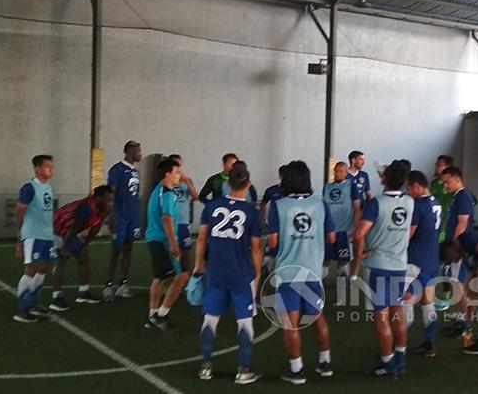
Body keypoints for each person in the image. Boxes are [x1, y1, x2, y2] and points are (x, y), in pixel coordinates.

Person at [267, 161, 336, 385]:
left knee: (290, 323)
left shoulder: (278, 206)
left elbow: (273, 242)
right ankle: (325, 363)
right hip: (313, 271)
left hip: (288, 272)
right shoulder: (320, 204)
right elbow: (332, 237)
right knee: (317, 317)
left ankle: (297, 370)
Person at [194, 162, 263, 384]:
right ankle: (243, 370)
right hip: (240, 274)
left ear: (228, 182)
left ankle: (205, 367)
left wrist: (198, 264)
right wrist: (258, 273)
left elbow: (202, 238)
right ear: (248, 184)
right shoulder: (251, 212)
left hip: (216, 271)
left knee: (210, 319)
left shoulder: (212, 206)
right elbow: (255, 247)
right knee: (245, 322)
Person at [351, 161, 414, 379]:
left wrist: (360, 254)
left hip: (379, 265)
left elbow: (359, 234)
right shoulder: (409, 201)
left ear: (384, 178)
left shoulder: (376, 203)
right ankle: (401, 357)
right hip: (399, 264)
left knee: (381, 316)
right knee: (397, 312)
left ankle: (388, 363)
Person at [50, 185, 114, 311]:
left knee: (84, 257)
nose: (109, 203)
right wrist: (64, 247)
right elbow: (73, 228)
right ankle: (56, 298)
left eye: (111, 200)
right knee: (61, 260)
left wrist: (86, 244)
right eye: (107, 200)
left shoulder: (105, 208)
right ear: (98, 198)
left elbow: (97, 226)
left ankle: (83, 293)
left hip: (70, 231)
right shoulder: (85, 208)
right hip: (57, 229)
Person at [144, 158, 190, 333]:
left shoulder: (159, 190)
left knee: (160, 277)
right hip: (162, 240)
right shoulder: (168, 192)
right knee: (183, 276)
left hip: (155, 238)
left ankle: (153, 315)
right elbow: (167, 218)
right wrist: (173, 243)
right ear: (167, 174)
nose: (180, 175)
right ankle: (161, 314)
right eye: (177, 172)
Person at [13, 155, 57, 323]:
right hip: (33, 235)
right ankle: (21, 309)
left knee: (43, 268)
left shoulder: (48, 187)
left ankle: (32, 303)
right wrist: (21, 233)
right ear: (37, 169)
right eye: (47, 167)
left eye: (51, 167)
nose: (50, 170)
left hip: (47, 235)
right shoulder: (29, 188)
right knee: (31, 270)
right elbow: (19, 211)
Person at [402, 170, 441, 358]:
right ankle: (429, 343)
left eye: (409, 188)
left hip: (416, 260)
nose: (408, 192)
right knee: (427, 303)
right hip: (432, 259)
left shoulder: (418, 206)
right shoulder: (436, 203)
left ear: (417, 186)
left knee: (405, 301)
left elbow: (409, 234)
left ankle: (398, 348)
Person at [103, 141, 142, 301]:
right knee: (116, 249)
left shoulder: (135, 171)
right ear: (129, 152)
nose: (140, 154)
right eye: (138, 151)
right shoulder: (117, 169)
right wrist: (111, 216)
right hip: (120, 216)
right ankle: (108, 285)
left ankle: (123, 284)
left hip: (133, 216)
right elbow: (110, 194)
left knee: (128, 249)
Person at [440, 166, 475, 338]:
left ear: (457, 179)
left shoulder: (463, 197)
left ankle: (465, 325)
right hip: (457, 247)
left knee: (457, 284)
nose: (444, 185)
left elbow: (462, 223)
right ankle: (462, 320)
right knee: (456, 283)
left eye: (447, 182)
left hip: (459, 248)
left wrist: (454, 246)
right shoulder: (458, 197)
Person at [322, 162, 361, 281]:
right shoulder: (327, 187)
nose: (338, 173)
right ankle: (319, 285)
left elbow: (356, 207)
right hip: (329, 229)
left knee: (343, 260)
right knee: (325, 258)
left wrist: (356, 226)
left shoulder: (351, 186)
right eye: (336, 171)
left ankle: (342, 291)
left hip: (345, 229)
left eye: (341, 171)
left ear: (346, 173)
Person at [168, 154, 198, 252]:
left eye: (180, 165)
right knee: (170, 250)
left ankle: (185, 268)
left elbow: (195, 197)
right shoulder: (165, 181)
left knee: (185, 251)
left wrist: (187, 183)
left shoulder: (187, 180)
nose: (179, 168)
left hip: (183, 222)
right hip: (169, 222)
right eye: (176, 165)